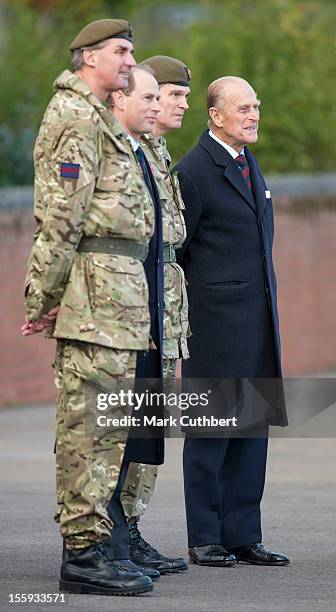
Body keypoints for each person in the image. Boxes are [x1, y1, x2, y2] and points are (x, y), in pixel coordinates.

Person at [22, 19, 163, 596]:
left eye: (130, 50)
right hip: (94, 295)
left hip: (117, 296)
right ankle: (82, 553)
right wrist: (45, 296)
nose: (130, 60)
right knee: (88, 426)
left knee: (109, 427)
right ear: (87, 59)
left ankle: (97, 543)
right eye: (119, 51)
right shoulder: (75, 117)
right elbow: (61, 218)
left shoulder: (100, 116)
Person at [176, 76, 289, 567]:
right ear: (215, 116)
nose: (254, 114)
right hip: (215, 327)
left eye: (256, 105)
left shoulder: (247, 163)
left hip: (257, 323)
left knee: (251, 432)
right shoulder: (194, 171)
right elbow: (176, 252)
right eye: (243, 107)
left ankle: (244, 534)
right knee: (211, 433)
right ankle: (206, 537)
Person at [108, 60, 190, 574]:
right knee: (126, 423)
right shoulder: (128, 154)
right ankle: (115, 530)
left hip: (165, 313)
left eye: (176, 96)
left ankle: (132, 527)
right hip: (133, 311)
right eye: (164, 95)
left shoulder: (158, 154)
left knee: (151, 426)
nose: (170, 105)